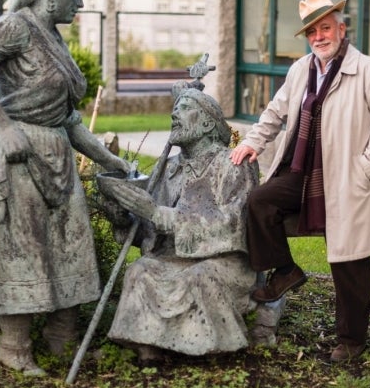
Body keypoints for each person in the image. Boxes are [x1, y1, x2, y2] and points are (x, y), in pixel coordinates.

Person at [0, 0, 130, 375]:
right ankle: (13, 348)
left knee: (69, 247)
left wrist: (107, 158)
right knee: (20, 253)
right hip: (17, 160)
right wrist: (3, 126)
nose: (80, 4)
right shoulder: (17, 28)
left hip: (56, 157)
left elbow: (66, 118)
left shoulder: (53, 38)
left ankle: (61, 340)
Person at [230, 0, 370, 362]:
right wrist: (252, 143)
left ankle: (351, 342)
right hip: (304, 173)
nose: (318, 37)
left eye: (325, 28)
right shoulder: (301, 70)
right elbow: (274, 112)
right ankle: (285, 270)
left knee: (350, 261)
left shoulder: (369, 71)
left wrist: (366, 170)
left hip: (347, 177)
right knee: (260, 203)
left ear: (342, 29)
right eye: (312, 31)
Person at [100, 83, 259, 364]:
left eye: (184, 109)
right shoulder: (170, 167)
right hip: (172, 257)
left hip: (222, 259)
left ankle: (209, 347)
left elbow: (232, 224)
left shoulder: (233, 164)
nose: (175, 115)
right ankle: (148, 344)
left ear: (208, 123)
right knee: (141, 270)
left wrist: (161, 215)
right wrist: (124, 217)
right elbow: (149, 230)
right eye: (175, 109)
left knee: (201, 276)